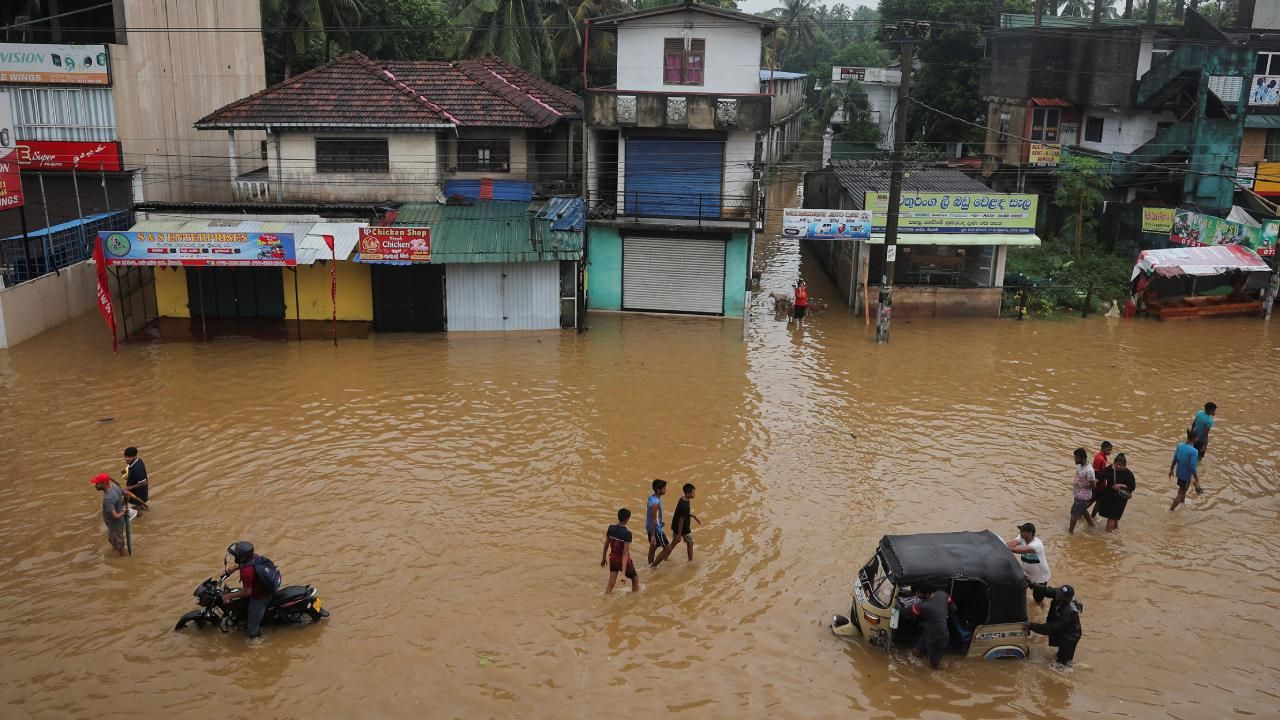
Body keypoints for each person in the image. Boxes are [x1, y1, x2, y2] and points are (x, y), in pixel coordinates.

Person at [222, 541, 277, 639]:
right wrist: (233, 569)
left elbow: (247, 592)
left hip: (260, 597)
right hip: (265, 585)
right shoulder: (254, 557)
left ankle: (256, 643)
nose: (235, 558)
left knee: (252, 628)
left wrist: (229, 595)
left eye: (236, 556)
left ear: (241, 557)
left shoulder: (246, 572)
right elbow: (247, 564)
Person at [1030, 584, 1083, 666]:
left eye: (1061, 595)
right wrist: (1033, 584)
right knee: (1057, 652)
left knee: (1061, 664)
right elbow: (1046, 590)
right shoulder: (1058, 594)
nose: (1057, 595)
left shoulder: (1068, 613)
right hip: (1061, 629)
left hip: (1070, 637)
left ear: (1067, 599)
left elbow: (1049, 628)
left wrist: (1031, 626)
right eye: (1058, 592)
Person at [653, 483, 701, 566]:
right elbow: (681, 520)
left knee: (673, 543)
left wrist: (693, 516)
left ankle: (665, 557)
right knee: (690, 543)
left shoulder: (682, 499)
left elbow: (682, 514)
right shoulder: (685, 505)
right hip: (683, 529)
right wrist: (679, 534)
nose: (694, 494)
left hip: (675, 525)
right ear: (688, 494)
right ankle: (690, 561)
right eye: (693, 492)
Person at [1093, 453, 1137, 532]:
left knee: (1112, 517)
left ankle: (1107, 535)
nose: (1118, 467)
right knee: (1114, 516)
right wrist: (1093, 482)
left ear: (1124, 465)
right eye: (1117, 464)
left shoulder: (1128, 474)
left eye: (1121, 465)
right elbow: (1100, 476)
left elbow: (1132, 487)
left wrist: (1121, 485)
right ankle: (1115, 531)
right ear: (1114, 463)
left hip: (1120, 499)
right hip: (1109, 496)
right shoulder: (1110, 469)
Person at [909, 586, 951, 670]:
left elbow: (905, 612)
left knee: (934, 665)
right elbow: (953, 608)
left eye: (919, 593)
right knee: (915, 652)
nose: (917, 595)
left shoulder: (923, 605)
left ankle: (940, 676)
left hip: (938, 636)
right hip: (928, 630)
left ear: (927, 594)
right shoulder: (943, 594)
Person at [1007, 523, 1051, 601]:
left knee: (1038, 601)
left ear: (1030, 533)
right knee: (1018, 593)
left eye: (1022, 531)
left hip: (1040, 578)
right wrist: (1003, 545)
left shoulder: (1037, 544)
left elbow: (1020, 550)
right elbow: (1011, 544)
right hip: (1026, 575)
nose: (1020, 533)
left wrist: (1004, 547)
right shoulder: (1021, 537)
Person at [601, 508, 639, 594]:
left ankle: (605, 598)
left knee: (610, 584)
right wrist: (623, 573)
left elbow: (606, 545)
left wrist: (603, 558)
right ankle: (635, 599)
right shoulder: (627, 533)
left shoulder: (610, 528)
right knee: (635, 579)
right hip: (624, 562)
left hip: (613, 559)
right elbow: (625, 553)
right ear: (627, 519)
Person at [91, 473, 129, 557]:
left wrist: (122, 512)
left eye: (97, 483)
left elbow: (115, 515)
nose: (95, 485)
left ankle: (126, 561)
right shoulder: (115, 488)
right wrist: (122, 506)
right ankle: (116, 548)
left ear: (104, 484)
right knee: (112, 540)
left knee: (121, 547)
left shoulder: (108, 499)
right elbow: (126, 494)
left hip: (115, 525)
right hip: (117, 523)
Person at [1169, 430, 1202, 511]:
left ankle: (1182, 502)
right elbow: (1192, 466)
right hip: (1186, 475)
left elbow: (1175, 458)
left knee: (1182, 489)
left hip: (1179, 472)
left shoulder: (1180, 445)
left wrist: (1171, 469)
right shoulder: (1194, 451)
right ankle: (1171, 510)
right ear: (1195, 438)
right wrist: (1196, 478)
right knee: (1181, 492)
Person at [1069, 448, 1096, 533]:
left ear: (1083, 459)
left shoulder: (1089, 471)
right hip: (1078, 494)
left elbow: (1093, 485)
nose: (1075, 459)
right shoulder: (1082, 466)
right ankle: (1091, 525)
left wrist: (1083, 486)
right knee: (1083, 510)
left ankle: (1070, 532)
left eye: (1076, 458)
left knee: (1074, 513)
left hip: (1082, 496)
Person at [646, 479, 669, 567]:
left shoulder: (652, 498)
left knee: (653, 547)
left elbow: (652, 515)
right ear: (658, 490)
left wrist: (660, 522)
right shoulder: (655, 503)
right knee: (667, 548)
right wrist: (653, 536)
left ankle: (650, 564)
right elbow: (653, 519)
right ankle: (654, 566)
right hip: (655, 529)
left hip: (650, 526)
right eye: (664, 488)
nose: (665, 490)